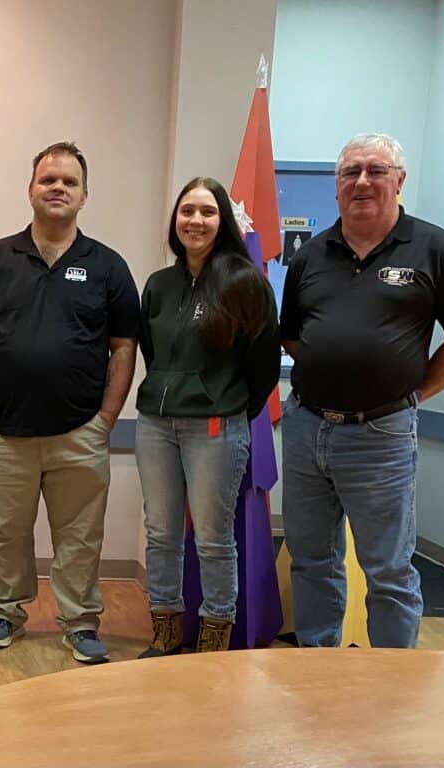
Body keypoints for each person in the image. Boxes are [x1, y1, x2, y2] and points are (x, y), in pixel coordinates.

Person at [280, 133, 444, 648]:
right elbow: (293, 335)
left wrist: (412, 394)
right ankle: (317, 666)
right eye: (351, 172)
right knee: (310, 560)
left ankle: (391, 691)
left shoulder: (436, 248)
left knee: (388, 570)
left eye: (376, 170)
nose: (362, 182)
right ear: (336, 188)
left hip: (381, 437)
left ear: (400, 180)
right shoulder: (310, 257)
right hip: (306, 428)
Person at [0, 141, 141, 664]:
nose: (57, 188)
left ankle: (80, 622)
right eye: (48, 180)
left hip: (80, 432)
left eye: (69, 182)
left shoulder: (106, 265)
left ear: (84, 196)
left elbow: (124, 346)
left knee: (79, 537)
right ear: (30, 190)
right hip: (7, 431)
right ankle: (6, 612)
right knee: (6, 532)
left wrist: (106, 417)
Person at [134, 177, 280, 657]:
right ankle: (166, 633)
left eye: (207, 212)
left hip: (216, 428)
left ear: (223, 222)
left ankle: (214, 639)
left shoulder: (244, 282)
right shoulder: (158, 285)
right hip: (156, 425)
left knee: (215, 539)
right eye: (186, 211)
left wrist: (226, 404)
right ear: (175, 221)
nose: (195, 220)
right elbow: (154, 355)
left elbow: (262, 365)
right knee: (160, 534)